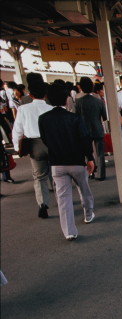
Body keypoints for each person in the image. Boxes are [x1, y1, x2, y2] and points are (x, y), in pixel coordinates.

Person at [39, 82, 95, 240]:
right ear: (66, 99)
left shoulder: (43, 119)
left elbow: (45, 139)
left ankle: (69, 232)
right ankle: (88, 214)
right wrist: (89, 158)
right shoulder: (74, 118)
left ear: (49, 99)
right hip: (77, 162)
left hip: (57, 164)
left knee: (63, 198)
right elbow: (84, 139)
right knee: (84, 189)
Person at [11, 77, 53, 218]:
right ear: (45, 94)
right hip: (51, 144)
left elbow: (17, 130)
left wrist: (18, 147)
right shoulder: (51, 108)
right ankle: (62, 199)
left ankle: (43, 204)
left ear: (30, 95)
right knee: (57, 173)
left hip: (34, 145)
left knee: (39, 177)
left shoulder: (23, 109)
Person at [75, 77, 108, 181]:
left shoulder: (78, 102)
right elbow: (105, 117)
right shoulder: (99, 101)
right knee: (100, 153)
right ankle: (101, 174)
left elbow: (76, 118)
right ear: (92, 86)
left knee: (87, 153)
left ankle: (91, 172)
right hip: (97, 128)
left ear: (80, 87)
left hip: (83, 131)